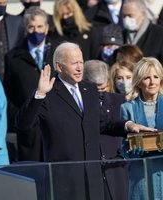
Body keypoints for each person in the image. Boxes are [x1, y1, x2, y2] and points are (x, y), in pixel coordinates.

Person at [16, 42, 156, 200]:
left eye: (81, 62)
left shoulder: (89, 89)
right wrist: (39, 94)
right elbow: (23, 124)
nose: (79, 68)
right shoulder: (47, 93)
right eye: (74, 63)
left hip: (93, 177)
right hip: (64, 180)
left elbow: (103, 123)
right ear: (59, 66)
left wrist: (128, 125)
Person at [4, 6, 55, 162]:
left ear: (46, 28)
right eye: (31, 27)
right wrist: (21, 117)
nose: (36, 31)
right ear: (25, 29)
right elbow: (9, 94)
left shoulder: (58, 53)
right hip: (28, 131)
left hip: (55, 127)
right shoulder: (13, 57)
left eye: (40, 26)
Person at [83, 59, 128, 200]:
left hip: (117, 168)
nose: (100, 93)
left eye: (103, 88)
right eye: (96, 89)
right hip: (91, 169)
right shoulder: (79, 102)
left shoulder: (120, 100)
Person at [120, 57, 163, 200]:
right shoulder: (128, 108)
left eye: (156, 77)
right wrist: (132, 151)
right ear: (138, 82)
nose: (152, 82)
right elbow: (123, 148)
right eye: (147, 78)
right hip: (141, 178)